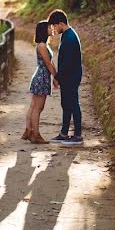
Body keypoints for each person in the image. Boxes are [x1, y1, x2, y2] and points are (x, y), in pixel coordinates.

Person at [48, 9, 83, 145]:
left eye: (54, 26)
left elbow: (67, 63)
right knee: (66, 104)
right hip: (68, 76)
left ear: (61, 24)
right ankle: (64, 133)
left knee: (73, 104)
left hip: (71, 77)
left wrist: (58, 77)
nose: (54, 29)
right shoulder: (67, 35)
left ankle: (78, 135)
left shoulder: (70, 38)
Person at [24, 20, 57, 144]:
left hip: (41, 75)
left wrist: (54, 75)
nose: (51, 29)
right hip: (42, 76)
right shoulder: (42, 45)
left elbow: (50, 62)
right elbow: (48, 63)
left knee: (34, 106)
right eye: (49, 27)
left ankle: (28, 130)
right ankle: (35, 135)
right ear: (44, 30)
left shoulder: (43, 44)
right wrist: (56, 77)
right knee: (38, 107)